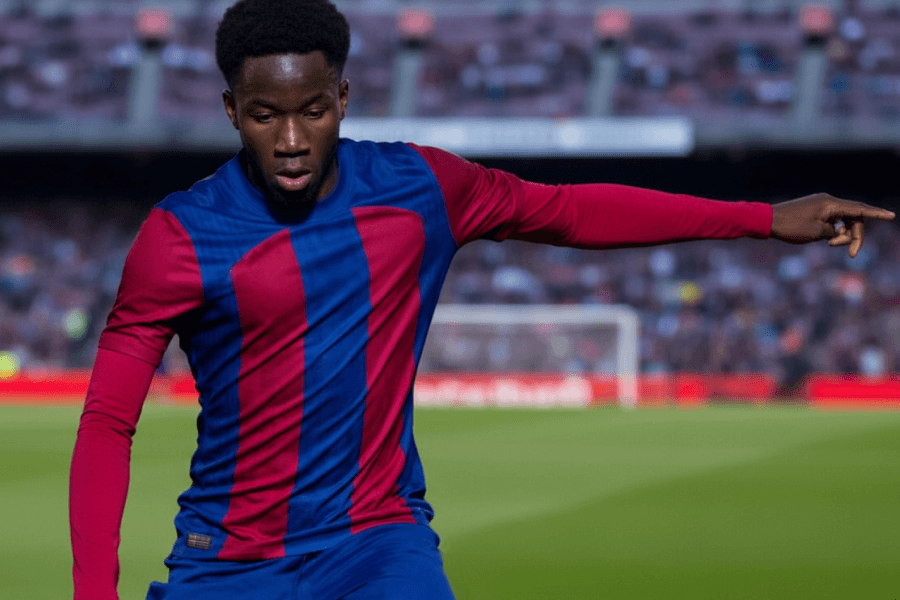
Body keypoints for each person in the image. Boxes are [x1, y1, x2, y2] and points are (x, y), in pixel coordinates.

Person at [68, 0, 895, 598]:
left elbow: (570, 211)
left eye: (312, 111)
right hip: (230, 561)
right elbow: (108, 420)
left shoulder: (420, 188)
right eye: (263, 116)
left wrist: (759, 217)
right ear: (230, 112)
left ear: (343, 101)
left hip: (376, 543)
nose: (290, 139)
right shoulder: (179, 237)